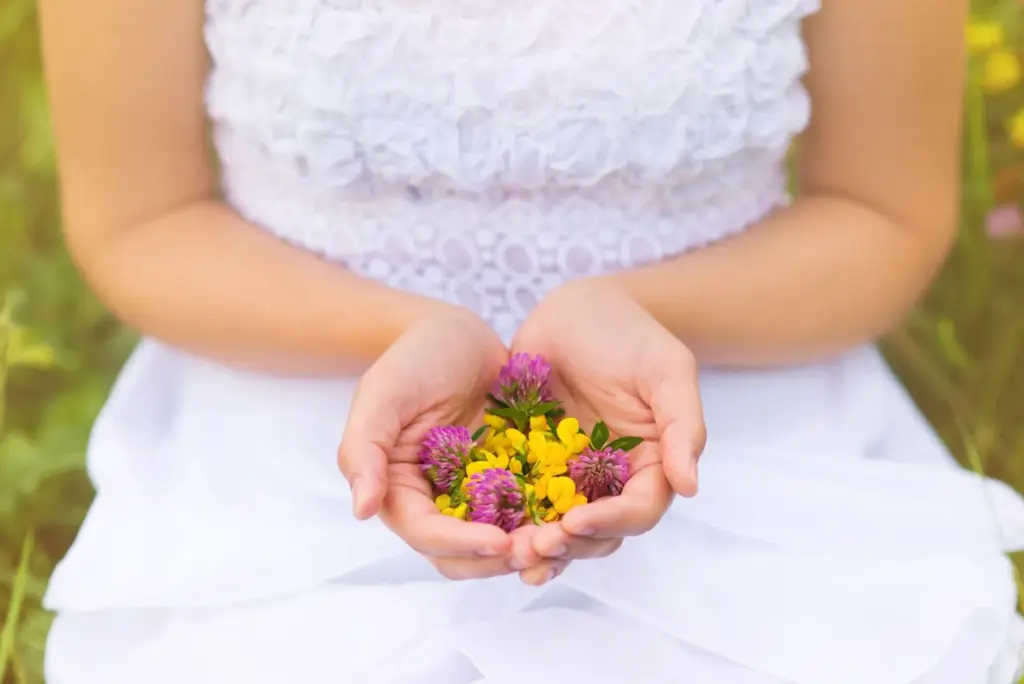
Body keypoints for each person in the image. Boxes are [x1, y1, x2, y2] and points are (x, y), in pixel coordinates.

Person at [35, 0, 1024, 681]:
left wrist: (638, 307)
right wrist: (400, 328)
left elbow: (880, 212)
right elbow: (142, 219)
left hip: (731, 400)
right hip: (292, 409)